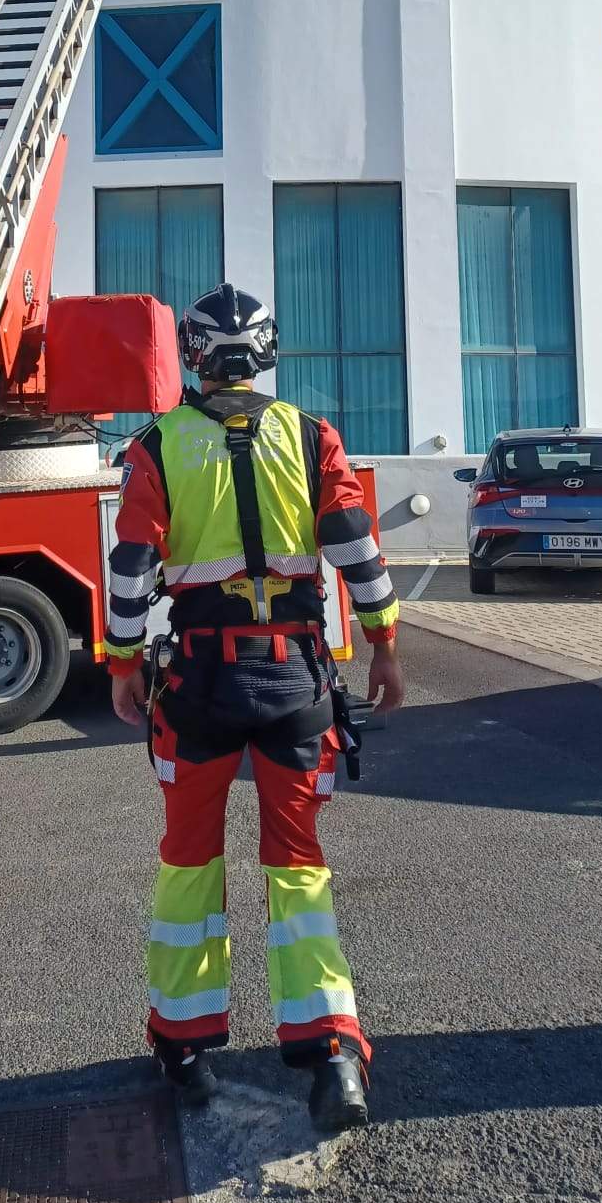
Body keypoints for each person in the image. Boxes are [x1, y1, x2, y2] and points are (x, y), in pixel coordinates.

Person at [107, 282, 405, 1132]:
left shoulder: (158, 446)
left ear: (195, 358)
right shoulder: (310, 437)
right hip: (296, 679)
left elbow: (131, 568)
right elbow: (354, 547)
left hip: (198, 683)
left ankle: (183, 1047)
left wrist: (123, 663)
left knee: (189, 863)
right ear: (269, 352)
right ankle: (333, 1055)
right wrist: (384, 641)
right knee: (297, 864)